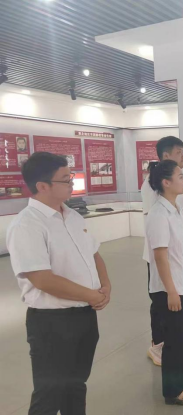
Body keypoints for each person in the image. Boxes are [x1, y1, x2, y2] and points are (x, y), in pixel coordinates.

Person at [7, 152, 111, 415]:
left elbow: (94, 253)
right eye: (66, 179)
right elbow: (42, 279)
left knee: (76, 385)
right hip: (52, 324)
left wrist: (105, 285)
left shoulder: (73, 216)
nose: (72, 183)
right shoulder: (27, 225)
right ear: (42, 186)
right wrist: (90, 295)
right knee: (49, 394)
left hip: (84, 316)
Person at [146, 160, 183, 406]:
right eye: (180, 176)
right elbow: (160, 256)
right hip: (170, 289)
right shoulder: (158, 214)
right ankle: (172, 391)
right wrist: (171, 291)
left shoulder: (177, 208)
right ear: (166, 182)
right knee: (173, 343)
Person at [142, 136, 183, 365]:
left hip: (177, 246)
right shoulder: (152, 185)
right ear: (166, 155)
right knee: (163, 302)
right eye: (179, 152)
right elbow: (155, 220)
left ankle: (178, 342)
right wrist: (174, 234)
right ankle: (159, 344)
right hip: (162, 250)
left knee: (181, 315)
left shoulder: (180, 181)